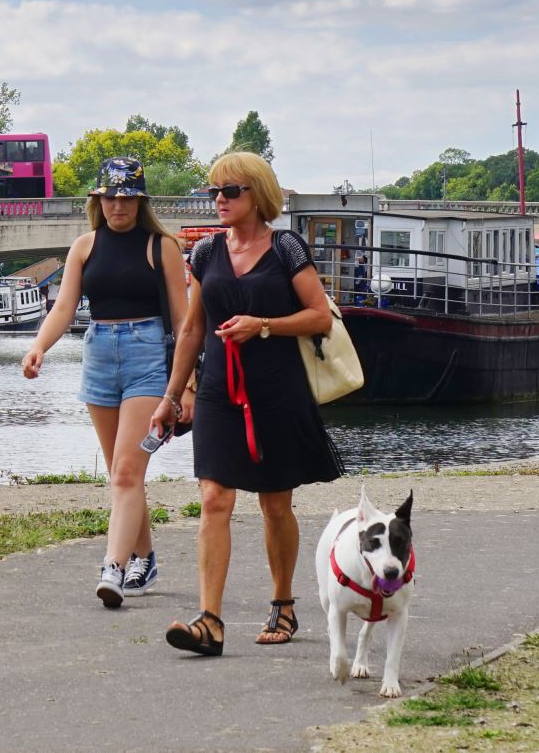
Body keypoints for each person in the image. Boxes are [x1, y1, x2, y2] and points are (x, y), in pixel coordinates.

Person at [151, 151, 345, 655]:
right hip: (218, 389)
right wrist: (173, 396)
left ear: (257, 195)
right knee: (214, 497)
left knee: (275, 504)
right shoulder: (207, 254)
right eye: (213, 191)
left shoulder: (286, 248)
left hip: (277, 390)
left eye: (229, 191)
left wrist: (263, 326)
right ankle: (209, 622)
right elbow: (192, 328)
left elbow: (320, 316)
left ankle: (283, 603)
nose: (218, 200)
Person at [22, 156, 187, 606]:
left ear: (141, 200)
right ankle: (145, 557)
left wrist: (184, 384)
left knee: (128, 471)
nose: (119, 206)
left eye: (127, 197)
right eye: (110, 197)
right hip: (98, 354)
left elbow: (184, 319)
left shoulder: (161, 246)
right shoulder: (84, 246)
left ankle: (112, 567)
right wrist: (40, 346)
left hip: (148, 355)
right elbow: (63, 307)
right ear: (98, 200)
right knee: (122, 473)